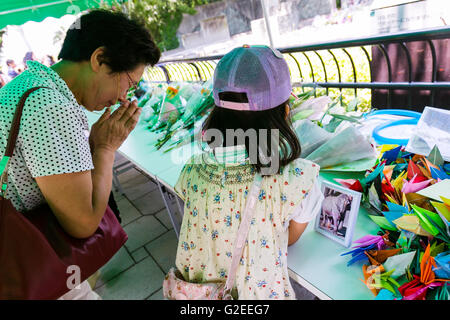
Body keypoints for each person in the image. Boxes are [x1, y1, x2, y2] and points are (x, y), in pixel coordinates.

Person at [0, 9, 160, 299]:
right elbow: (83, 223)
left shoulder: (31, 86)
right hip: (24, 265)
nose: (125, 97)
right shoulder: (49, 106)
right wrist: (105, 149)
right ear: (99, 59)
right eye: (129, 83)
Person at [172, 45, 324, 300]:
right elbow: (287, 239)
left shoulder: (191, 170)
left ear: (217, 111)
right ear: (284, 113)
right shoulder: (298, 179)